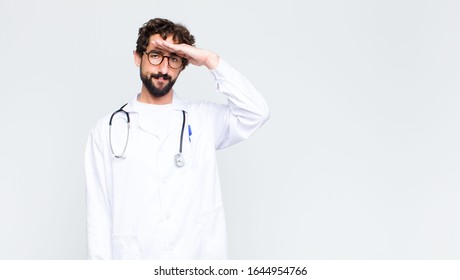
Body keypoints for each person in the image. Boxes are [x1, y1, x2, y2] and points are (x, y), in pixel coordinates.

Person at [85, 18, 269, 260]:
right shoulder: (107, 131)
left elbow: (256, 112)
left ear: (183, 63)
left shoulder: (202, 119)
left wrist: (210, 61)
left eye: (173, 59)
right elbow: (98, 216)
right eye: (155, 55)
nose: (163, 68)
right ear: (137, 57)